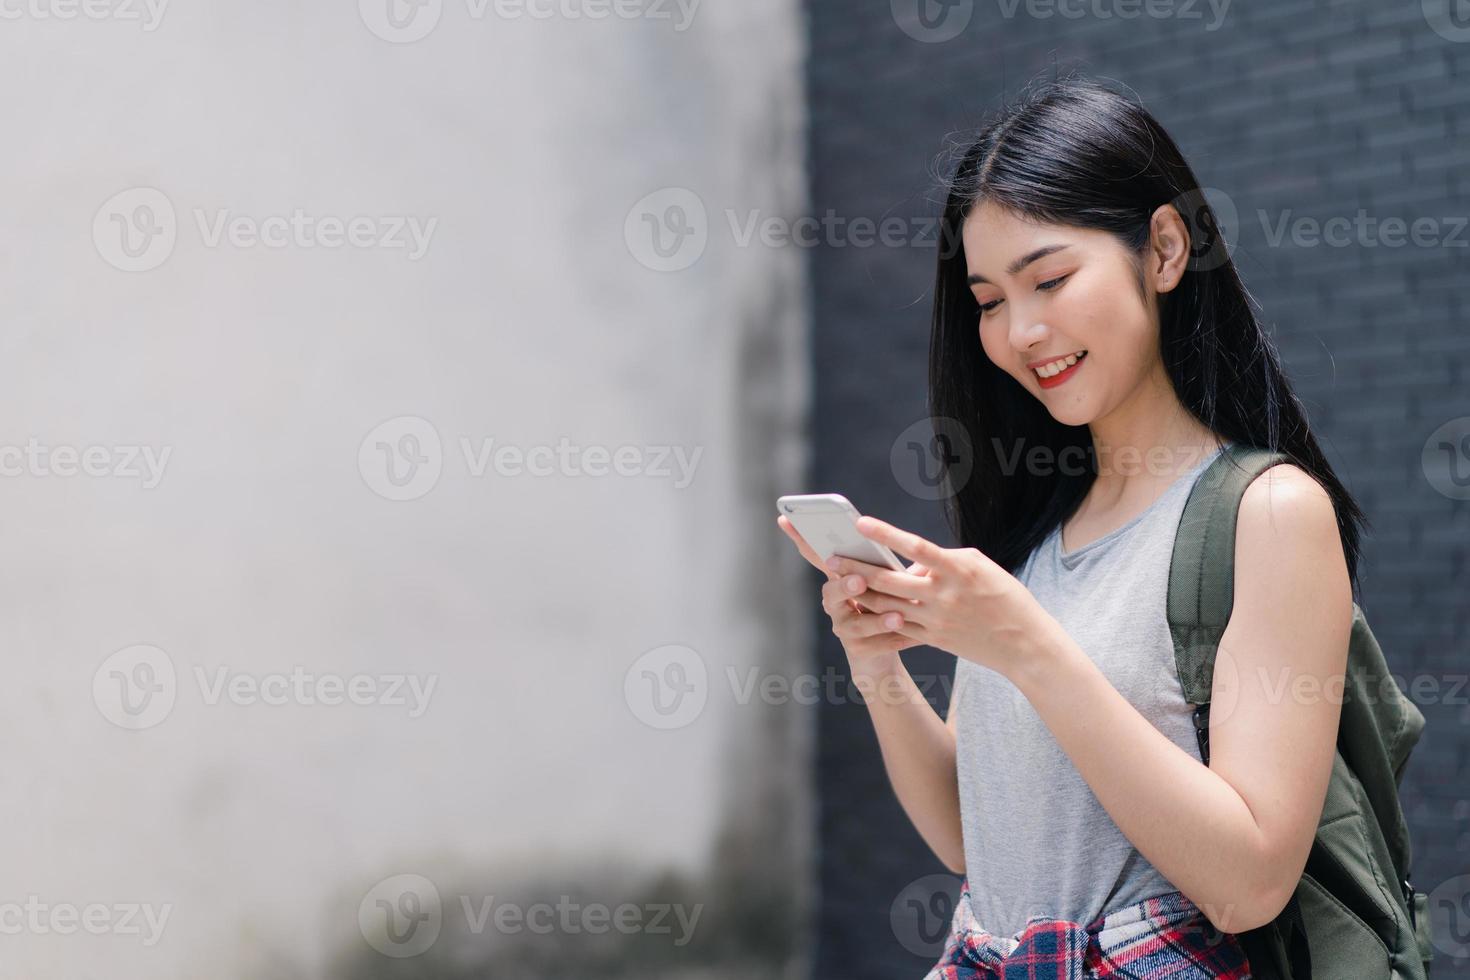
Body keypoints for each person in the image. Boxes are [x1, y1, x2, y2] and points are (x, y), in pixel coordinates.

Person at [777, 72, 1363, 978]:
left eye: (1048, 278)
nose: (1020, 331)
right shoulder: (1033, 530)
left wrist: (1028, 646)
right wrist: (877, 662)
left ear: (1164, 250)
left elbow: (1248, 883)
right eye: (988, 301)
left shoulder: (1269, 514)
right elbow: (974, 843)